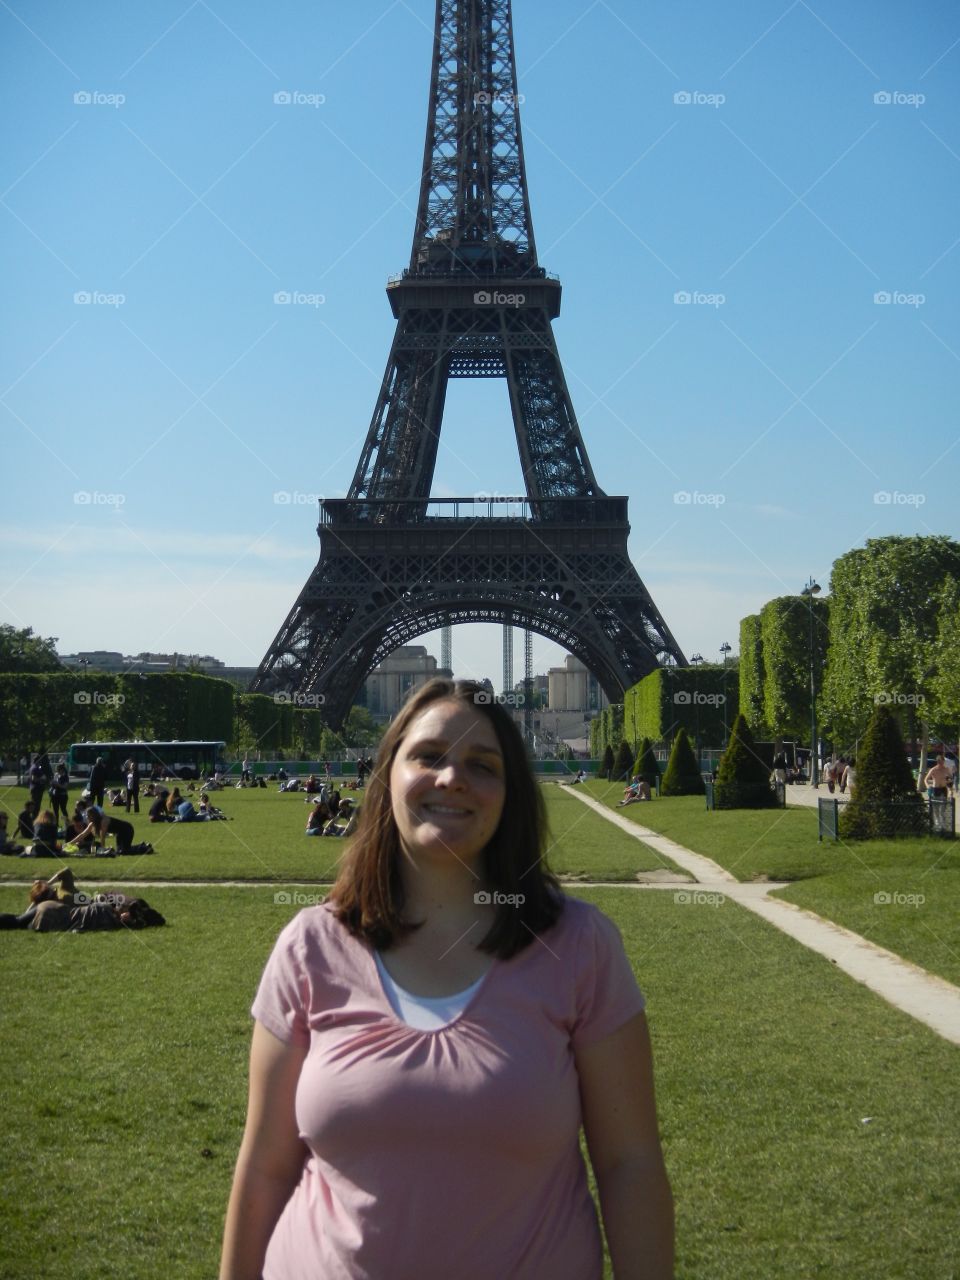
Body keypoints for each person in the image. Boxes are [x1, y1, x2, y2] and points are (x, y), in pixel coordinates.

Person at [219, 678, 673, 1280]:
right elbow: (265, 1166)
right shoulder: (310, 946)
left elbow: (629, 1165)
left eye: (481, 765)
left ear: (510, 793)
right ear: (389, 775)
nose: (451, 778)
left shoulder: (580, 948)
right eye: (428, 757)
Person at [71, 804, 153, 856]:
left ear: (94, 815)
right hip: (120, 832)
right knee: (120, 851)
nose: (87, 818)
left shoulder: (104, 820)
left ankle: (145, 848)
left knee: (124, 852)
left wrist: (102, 851)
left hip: (127, 829)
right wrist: (70, 843)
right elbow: (82, 835)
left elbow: (102, 836)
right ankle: (142, 845)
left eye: (88, 816)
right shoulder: (92, 823)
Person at [49, 762, 70, 826]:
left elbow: (65, 787)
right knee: (55, 811)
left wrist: (57, 784)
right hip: (55, 795)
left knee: (63, 810)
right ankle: (56, 824)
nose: (57, 771)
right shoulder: (56, 775)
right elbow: (53, 784)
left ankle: (67, 824)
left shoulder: (65, 777)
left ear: (62, 769)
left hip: (62, 795)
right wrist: (52, 784)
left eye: (58, 769)